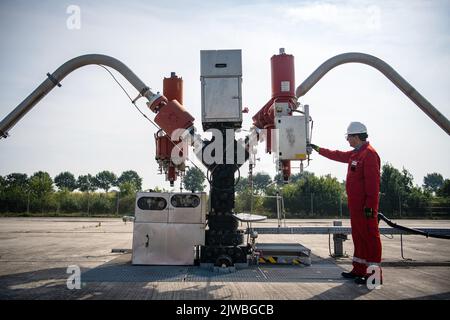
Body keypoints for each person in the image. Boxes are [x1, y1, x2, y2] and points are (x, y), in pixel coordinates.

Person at [308, 121, 382, 285]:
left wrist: (370, 207)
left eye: (348, 137)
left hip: (366, 208)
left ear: (356, 136)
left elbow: (373, 184)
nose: (347, 140)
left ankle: (374, 276)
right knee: (359, 238)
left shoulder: (369, 154)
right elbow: (337, 155)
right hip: (356, 207)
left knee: (370, 239)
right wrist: (319, 149)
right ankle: (359, 270)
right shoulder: (356, 154)